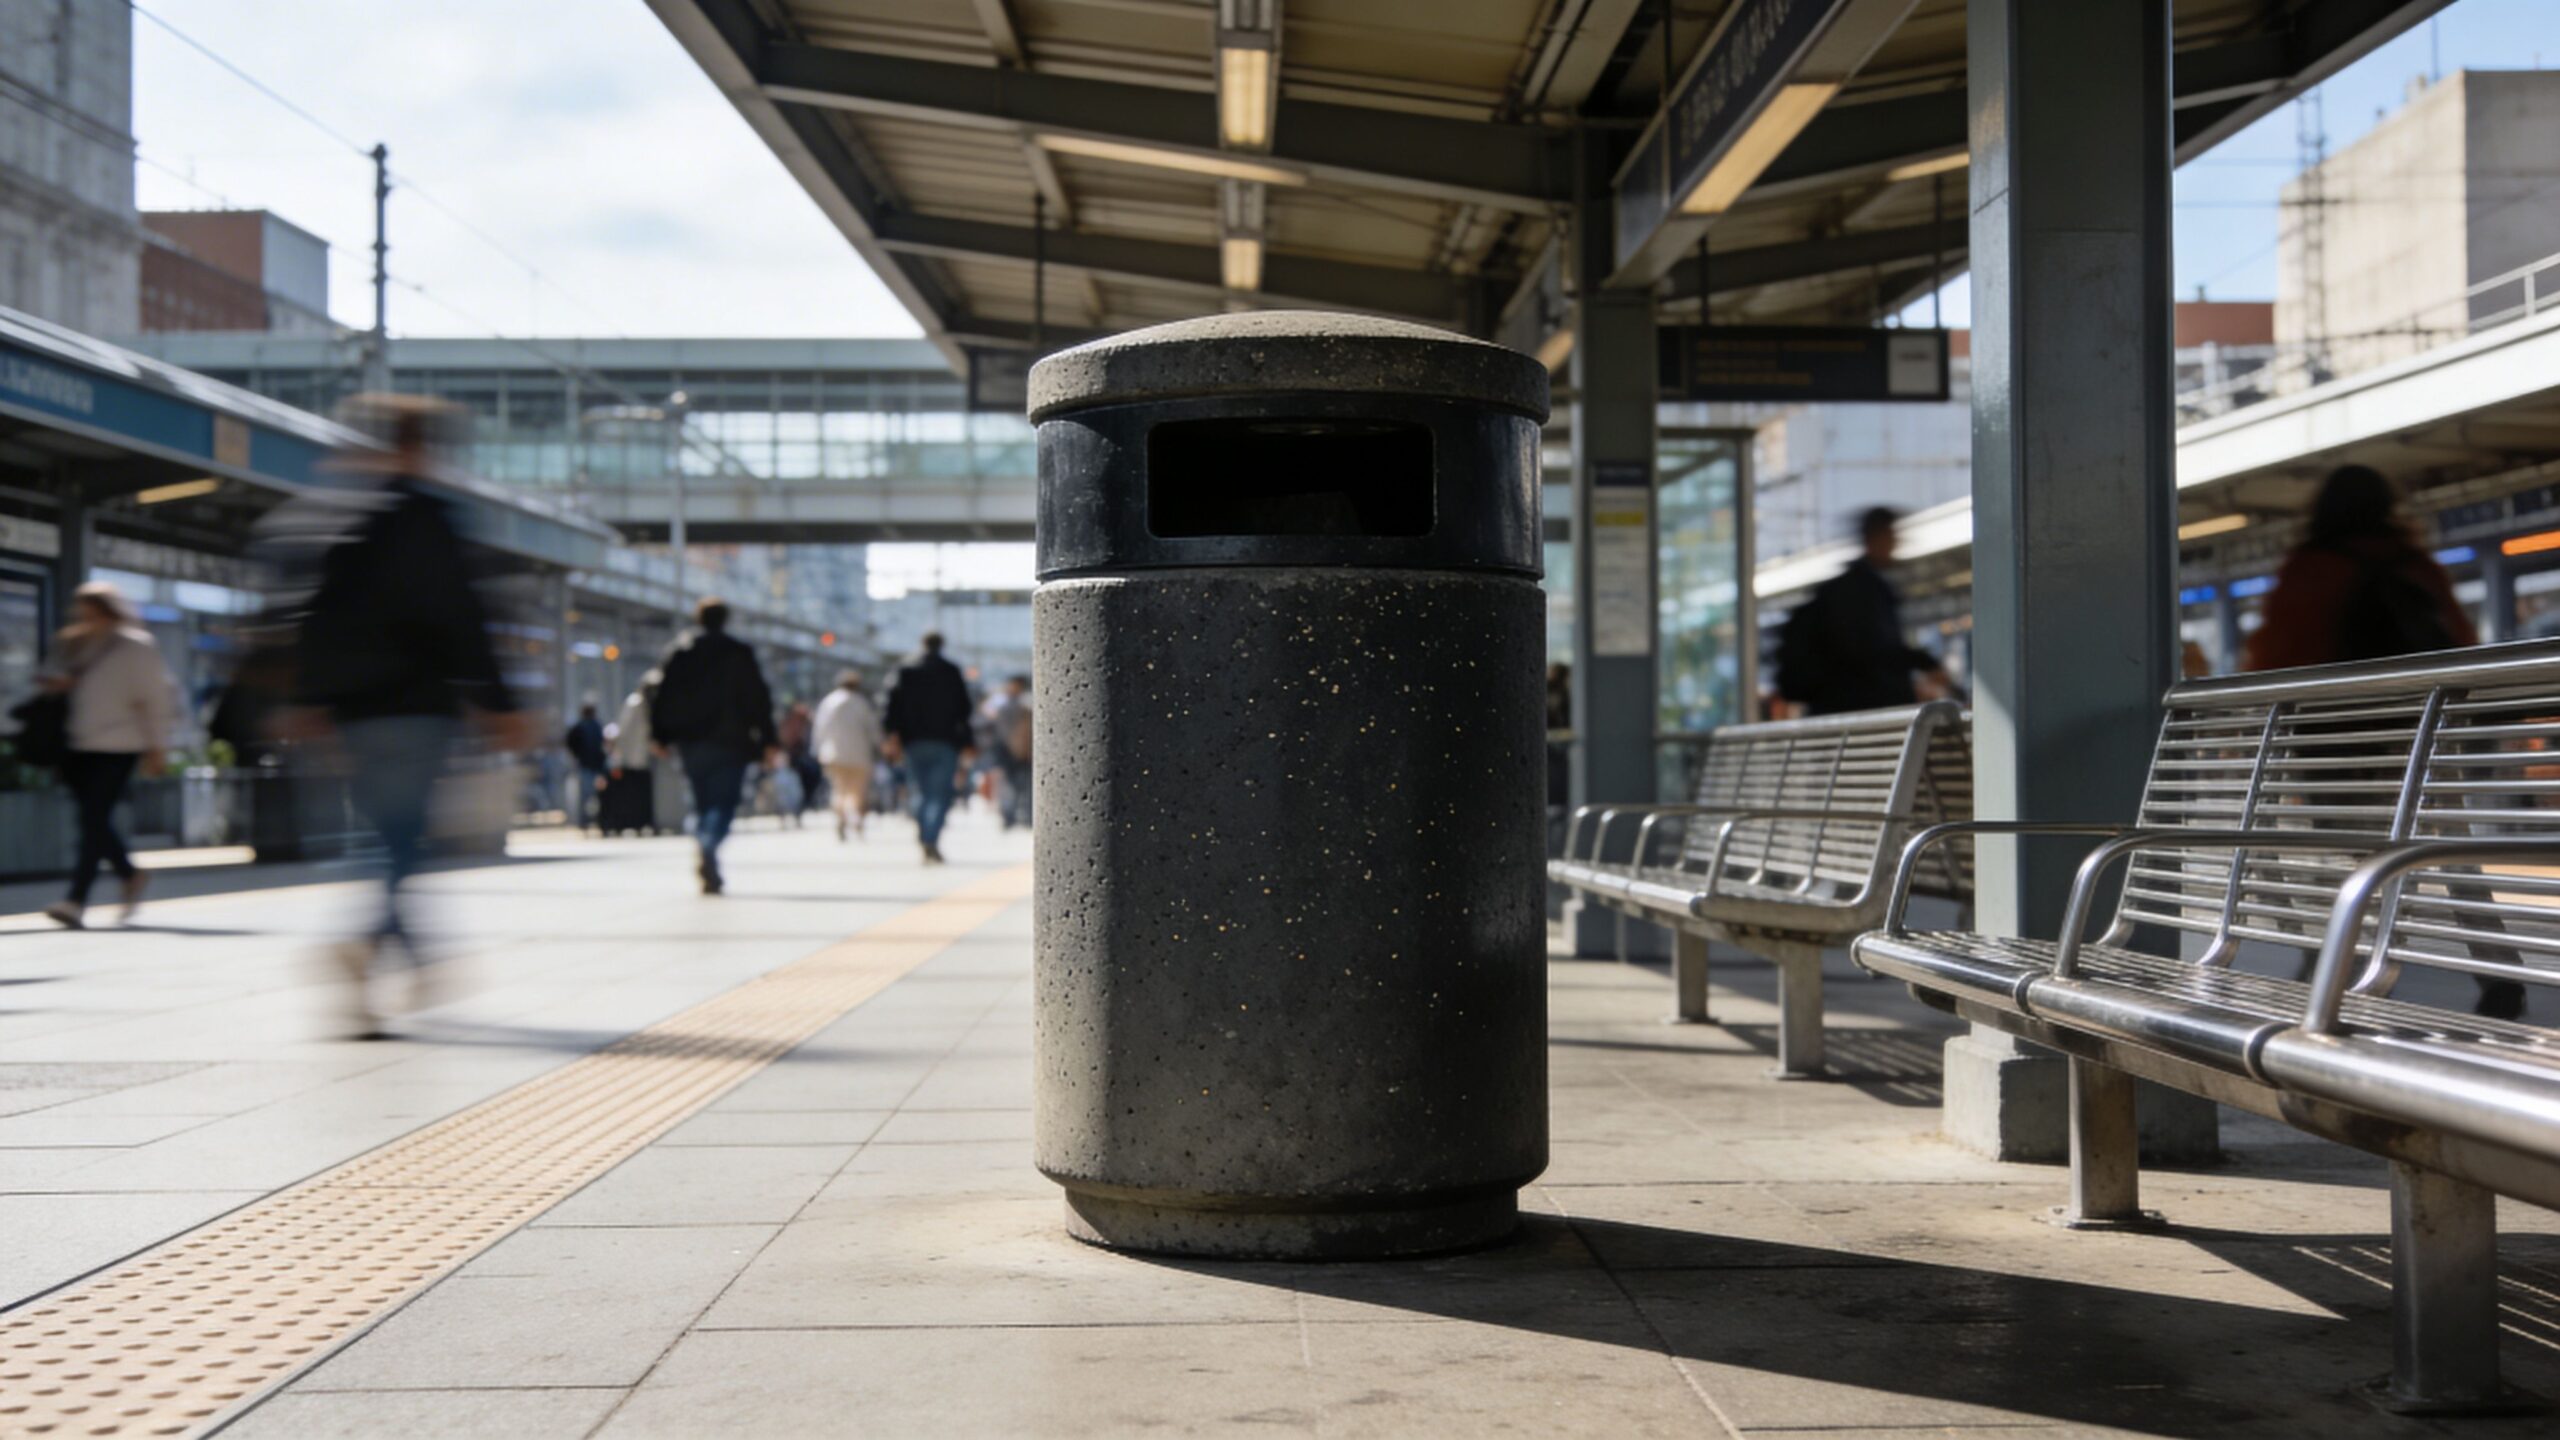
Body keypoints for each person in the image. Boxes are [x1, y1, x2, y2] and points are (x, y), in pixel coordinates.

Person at [291, 396, 530, 1033]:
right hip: (416, 705)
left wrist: (310, 700)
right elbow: (463, 616)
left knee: (388, 833)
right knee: (402, 834)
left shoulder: (346, 520)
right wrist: (498, 704)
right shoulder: (428, 519)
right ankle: (369, 941)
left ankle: (389, 951)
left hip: (354, 710)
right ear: (423, 448)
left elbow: (314, 614)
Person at [2244, 465, 2476, 672]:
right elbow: (2461, 638)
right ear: (2388, 505)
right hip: (2413, 705)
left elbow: (2272, 654)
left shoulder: (2307, 570)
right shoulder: (2417, 566)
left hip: (2327, 708)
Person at [39, 582, 174, 929]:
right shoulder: (72, 641)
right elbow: (45, 677)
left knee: (93, 818)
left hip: (120, 745)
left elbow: (154, 701)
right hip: (76, 744)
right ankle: (130, 874)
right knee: (91, 819)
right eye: (83, 610)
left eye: (94, 610)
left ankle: (75, 900)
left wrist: (157, 748)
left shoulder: (137, 646)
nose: (87, 618)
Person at [649, 597, 777, 894]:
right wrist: (768, 739)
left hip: (690, 741)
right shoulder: (739, 652)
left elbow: (663, 697)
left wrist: (660, 736)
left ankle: (703, 842)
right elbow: (758, 698)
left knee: (700, 800)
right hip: (731, 742)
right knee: (725, 801)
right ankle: (709, 843)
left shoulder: (680, 651)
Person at [1774, 506, 1951, 715]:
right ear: (1877, 537)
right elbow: (1877, 650)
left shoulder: (1851, 588)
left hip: (1840, 708)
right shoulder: (1864, 591)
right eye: (1892, 535)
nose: (1896, 543)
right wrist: (1925, 662)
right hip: (1860, 708)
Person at [882, 631, 976, 864]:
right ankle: (931, 837)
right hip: (946, 741)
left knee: (919, 790)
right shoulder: (951, 671)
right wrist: (967, 742)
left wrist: (891, 736)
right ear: (942, 645)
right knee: (940, 793)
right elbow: (964, 710)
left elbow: (891, 707)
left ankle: (923, 832)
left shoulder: (905, 669)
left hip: (913, 741)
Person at [811, 669, 883, 841]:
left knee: (839, 789)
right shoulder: (862, 703)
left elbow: (819, 730)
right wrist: (879, 746)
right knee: (857, 791)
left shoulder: (828, 702)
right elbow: (873, 731)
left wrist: (817, 750)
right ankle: (855, 818)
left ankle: (841, 817)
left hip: (833, 754)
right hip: (860, 754)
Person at [986, 673, 1033, 831]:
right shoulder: (1006, 705)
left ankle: (1019, 816)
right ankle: (1012, 816)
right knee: (1010, 785)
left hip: (1021, 751)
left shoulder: (1022, 705)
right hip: (1010, 751)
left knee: (1020, 785)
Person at [562, 701, 608, 833]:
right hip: (598, 767)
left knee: (585, 796)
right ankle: (600, 821)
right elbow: (603, 746)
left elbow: (570, 743)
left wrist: (577, 756)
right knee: (598, 796)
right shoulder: (598, 726)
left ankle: (584, 822)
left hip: (585, 765)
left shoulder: (579, 727)